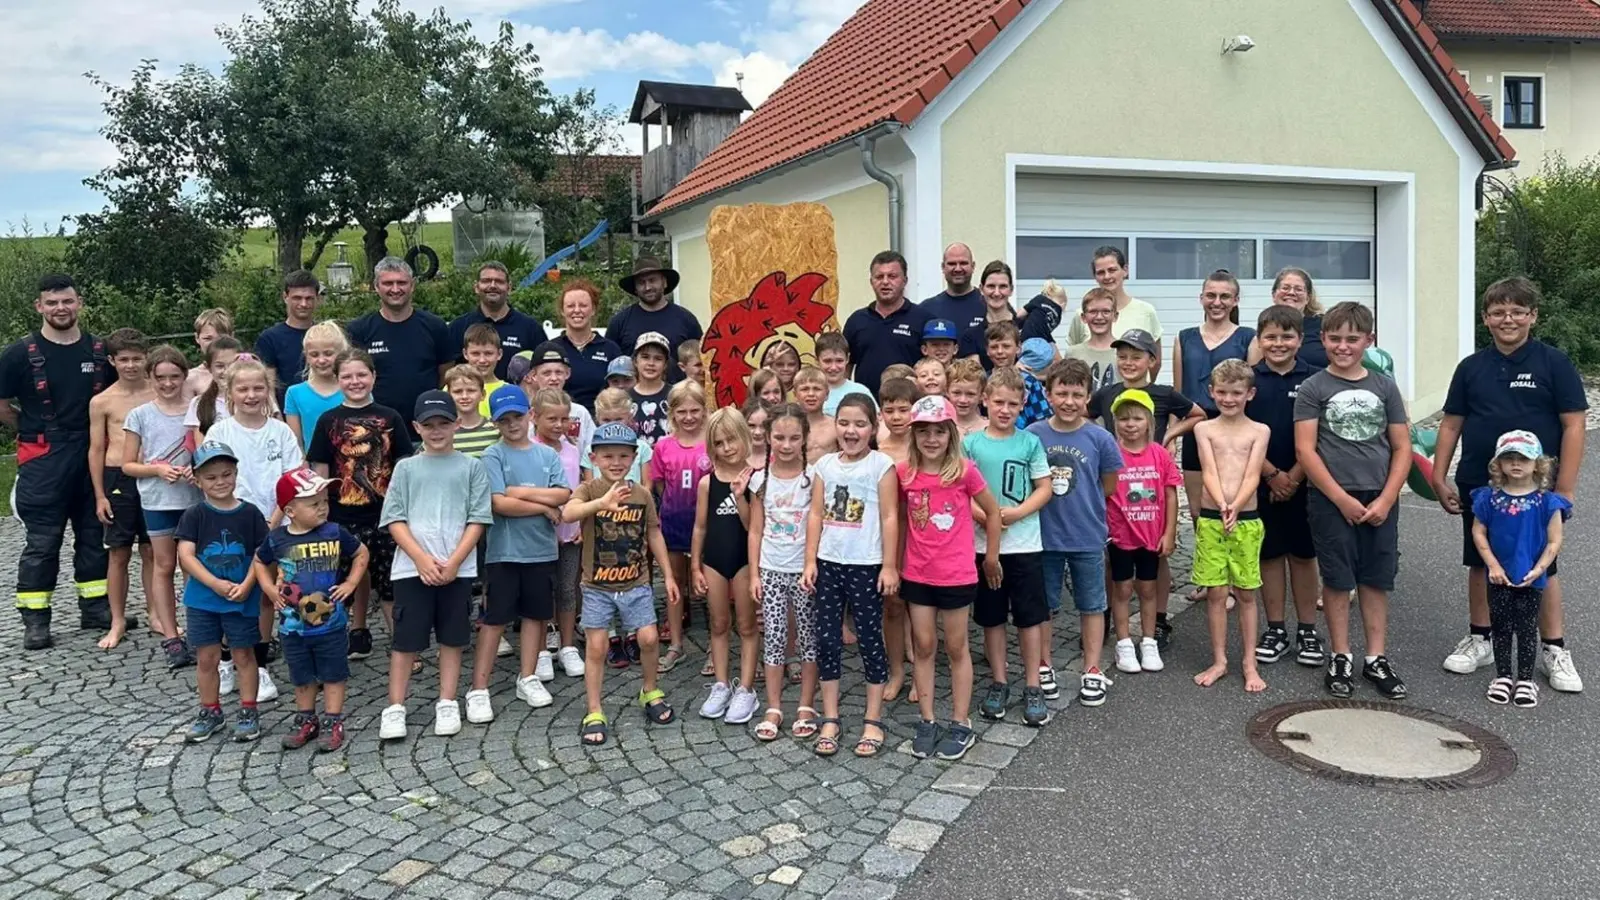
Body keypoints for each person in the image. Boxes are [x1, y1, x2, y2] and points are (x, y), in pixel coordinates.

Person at [1434, 276, 1586, 693]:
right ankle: (1481, 638)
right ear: (1486, 318)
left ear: (1533, 316)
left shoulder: (1554, 363)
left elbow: (1574, 425)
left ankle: (1554, 649)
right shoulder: (1471, 367)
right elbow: (1450, 424)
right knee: (1481, 559)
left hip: (1537, 490)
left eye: (1518, 311)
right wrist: (1438, 473)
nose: (1508, 319)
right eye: (1499, 311)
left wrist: (1565, 488)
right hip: (1481, 486)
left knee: (1543, 564)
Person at [1294, 301, 1412, 700]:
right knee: (1338, 579)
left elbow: (1401, 447)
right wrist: (1341, 499)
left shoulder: (1384, 387)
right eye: (1335, 338)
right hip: (1331, 499)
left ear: (1368, 340)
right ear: (1323, 339)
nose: (1343, 346)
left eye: (1352, 339)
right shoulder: (1314, 388)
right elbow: (1306, 451)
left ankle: (1376, 657)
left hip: (1379, 497)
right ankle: (1340, 654)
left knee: (1375, 578)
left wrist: (1387, 497)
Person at [0, 274, 116, 649]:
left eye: (67, 301)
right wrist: (31, 428)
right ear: (39, 307)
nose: (60, 309)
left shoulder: (100, 352)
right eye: (52, 303)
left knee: (94, 536)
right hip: (43, 459)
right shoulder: (18, 355)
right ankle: (36, 621)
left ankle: (95, 608)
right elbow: (2, 406)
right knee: (42, 543)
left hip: (92, 455)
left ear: (79, 303)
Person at [377, 390, 493, 740]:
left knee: (452, 638)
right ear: (416, 427)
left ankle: (447, 701)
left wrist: (455, 561)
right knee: (406, 641)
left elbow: (478, 518)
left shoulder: (472, 467)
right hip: (412, 569)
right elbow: (394, 519)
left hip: (457, 569)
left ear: (457, 424)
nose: (437, 430)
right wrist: (422, 559)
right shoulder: (406, 467)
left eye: (444, 423)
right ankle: (395, 707)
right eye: (429, 425)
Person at [899, 395, 1002, 762]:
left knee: (957, 647)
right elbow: (898, 524)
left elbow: (992, 512)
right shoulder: (904, 474)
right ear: (914, 436)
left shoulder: (964, 470)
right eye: (923, 432)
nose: (931, 439)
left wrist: (991, 556)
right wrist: (894, 565)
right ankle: (927, 719)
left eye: (938, 431)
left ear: (950, 434)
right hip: (917, 574)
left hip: (956, 574)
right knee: (924, 646)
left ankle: (961, 722)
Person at [565, 422, 681, 745]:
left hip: (636, 582)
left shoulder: (642, 494)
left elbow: (653, 532)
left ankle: (650, 689)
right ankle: (594, 708)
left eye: (623, 457)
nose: (615, 463)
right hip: (597, 586)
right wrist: (600, 505)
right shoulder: (590, 490)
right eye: (607, 457)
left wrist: (669, 575)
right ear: (594, 458)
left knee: (647, 637)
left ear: (634, 458)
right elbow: (569, 513)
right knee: (598, 646)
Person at [465, 386, 572, 724]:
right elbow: (499, 504)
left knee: (535, 616)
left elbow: (563, 494)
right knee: (495, 619)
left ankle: (527, 676)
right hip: (504, 552)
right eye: (504, 420)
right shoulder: (493, 456)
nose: (512, 424)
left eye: (517, 417)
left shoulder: (547, 456)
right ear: (496, 423)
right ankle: (478, 688)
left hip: (541, 551)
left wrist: (523, 493)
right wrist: (543, 506)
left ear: (530, 415)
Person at [803, 393, 898, 758]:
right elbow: (815, 514)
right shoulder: (824, 465)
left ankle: (873, 718)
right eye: (844, 423)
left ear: (873, 428)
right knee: (827, 638)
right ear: (835, 425)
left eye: (860, 424)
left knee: (871, 638)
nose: (851, 431)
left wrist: (889, 565)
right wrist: (810, 560)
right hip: (829, 562)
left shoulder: (881, 465)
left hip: (866, 563)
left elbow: (890, 517)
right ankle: (830, 716)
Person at [307, 349, 414, 658]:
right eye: (347, 376)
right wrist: (320, 511)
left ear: (373, 377)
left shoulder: (391, 417)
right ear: (337, 379)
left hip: (385, 515)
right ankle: (328, 643)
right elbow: (321, 469)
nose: (355, 381)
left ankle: (403, 646)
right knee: (335, 583)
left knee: (391, 583)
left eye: (361, 374)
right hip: (341, 516)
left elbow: (403, 466)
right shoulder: (328, 420)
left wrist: (402, 508)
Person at [1029, 358, 1122, 707]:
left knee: (1092, 604)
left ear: (1088, 397)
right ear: (1048, 394)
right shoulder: (1035, 434)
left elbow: (1108, 485)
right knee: (1046, 606)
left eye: (1077, 394)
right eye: (1062, 393)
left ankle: (1093, 668)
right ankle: (1043, 663)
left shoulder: (1099, 438)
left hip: (1087, 535)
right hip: (1044, 536)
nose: (1069, 401)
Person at [204, 356, 300, 695]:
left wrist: (275, 519)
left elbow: (292, 477)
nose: (251, 395)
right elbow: (215, 481)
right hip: (233, 524)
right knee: (234, 593)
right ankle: (230, 658)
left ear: (269, 390)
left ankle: (257, 664)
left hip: (276, 522)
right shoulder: (220, 432)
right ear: (229, 392)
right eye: (243, 388)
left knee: (263, 596)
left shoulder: (281, 431)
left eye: (259, 388)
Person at [256, 468, 368, 752]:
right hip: (293, 625)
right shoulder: (278, 539)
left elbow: (361, 553)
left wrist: (351, 583)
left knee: (333, 672)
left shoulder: (334, 532)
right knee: (301, 674)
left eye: (324, 501)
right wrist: (270, 590)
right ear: (290, 510)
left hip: (330, 623)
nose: (322, 507)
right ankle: (306, 718)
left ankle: (333, 720)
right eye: (313, 503)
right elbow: (259, 562)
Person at [965, 367, 1051, 725]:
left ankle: (1033, 684)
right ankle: (999, 680)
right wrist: (985, 516)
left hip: (1024, 543)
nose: (1004, 409)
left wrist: (1015, 514)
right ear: (985, 400)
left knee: (1030, 617)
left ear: (1022, 405)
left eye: (1012, 404)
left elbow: (1044, 488)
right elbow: (961, 489)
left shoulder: (1029, 442)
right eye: (998, 402)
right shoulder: (971, 443)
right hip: (983, 545)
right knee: (992, 616)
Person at [1245, 306, 1324, 668]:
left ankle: (1307, 628)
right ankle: (1275, 627)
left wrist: (1294, 476)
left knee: (1304, 556)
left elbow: (1321, 437)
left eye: (1286, 336)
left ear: (1300, 340)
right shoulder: (1247, 381)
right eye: (1270, 337)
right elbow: (1239, 432)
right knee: (1269, 555)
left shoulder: (1317, 379)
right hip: (1260, 481)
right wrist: (1272, 475)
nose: (1278, 343)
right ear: (1259, 340)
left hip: (1306, 482)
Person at [177, 441, 269, 743]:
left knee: (244, 653)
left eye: (226, 475)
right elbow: (186, 556)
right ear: (198, 480)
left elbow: (260, 555)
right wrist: (214, 584)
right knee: (207, 656)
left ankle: (248, 709)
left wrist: (247, 586)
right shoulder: (195, 514)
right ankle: (210, 709)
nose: (220, 482)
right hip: (203, 599)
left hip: (241, 596)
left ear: (236, 473)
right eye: (212, 477)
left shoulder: (250, 514)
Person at [1471, 431, 1569, 708]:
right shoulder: (1489, 499)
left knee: (1526, 628)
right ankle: (1503, 676)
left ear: (1537, 464)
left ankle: (1525, 679)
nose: (1516, 464)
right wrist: (1491, 564)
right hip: (1498, 574)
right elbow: (1478, 532)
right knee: (1500, 626)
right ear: (1498, 463)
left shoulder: (1547, 502)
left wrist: (1540, 570)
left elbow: (1554, 540)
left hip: (1530, 576)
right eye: (1509, 458)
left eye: (1523, 459)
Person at [1191, 361, 1270, 691]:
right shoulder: (1204, 429)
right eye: (1221, 392)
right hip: (1212, 518)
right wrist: (1221, 503)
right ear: (1211, 392)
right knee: (1216, 593)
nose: (1228, 398)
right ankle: (1220, 659)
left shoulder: (1259, 431)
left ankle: (1249, 662)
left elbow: (1253, 474)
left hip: (1247, 519)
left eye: (1236, 393)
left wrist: (1236, 505)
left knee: (1248, 592)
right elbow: (1208, 470)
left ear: (1249, 394)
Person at [120, 345, 200, 665]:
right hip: (158, 500)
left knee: (194, 568)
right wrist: (157, 469)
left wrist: (199, 470)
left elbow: (209, 448)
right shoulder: (140, 415)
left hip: (194, 499)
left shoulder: (195, 410)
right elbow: (127, 464)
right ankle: (171, 636)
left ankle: (198, 632)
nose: (168, 384)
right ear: (150, 377)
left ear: (184, 375)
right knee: (165, 566)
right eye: (161, 378)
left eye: (175, 377)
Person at [749, 403, 819, 741]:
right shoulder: (760, 479)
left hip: (805, 571)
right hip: (772, 570)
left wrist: (811, 563)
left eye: (794, 438)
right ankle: (773, 705)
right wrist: (753, 574)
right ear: (768, 437)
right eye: (779, 437)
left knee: (808, 638)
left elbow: (819, 524)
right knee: (774, 637)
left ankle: (806, 703)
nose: (786, 445)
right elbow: (754, 530)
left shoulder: (814, 477)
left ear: (805, 437)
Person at [1103, 389, 1181, 676]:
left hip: (1151, 535)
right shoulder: (1110, 453)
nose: (1130, 424)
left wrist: (1169, 532)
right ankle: (1124, 643)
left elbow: (1171, 495)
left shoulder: (1159, 455)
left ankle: (1148, 641)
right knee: (1122, 588)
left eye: (1136, 418)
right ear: (1115, 422)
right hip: (1120, 535)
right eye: (1123, 419)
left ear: (1149, 421)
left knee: (1148, 588)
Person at [691, 408, 760, 725]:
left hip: (746, 560)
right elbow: (701, 527)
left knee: (746, 626)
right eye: (719, 443)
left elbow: (752, 526)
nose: (727, 448)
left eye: (732, 440)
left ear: (744, 438)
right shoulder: (707, 483)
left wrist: (740, 495)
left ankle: (746, 688)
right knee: (718, 625)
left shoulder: (755, 479)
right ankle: (721, 684)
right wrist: (695, 565)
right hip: (714, 561)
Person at [1174, 270, 1256, 532]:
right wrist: (1172, 436)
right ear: (1201, 298)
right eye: (1211, 295)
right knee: (1200, 510)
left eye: (1225, 296)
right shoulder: (1184, 338)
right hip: (1195, 431)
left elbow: (1254, 392)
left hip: (1235, 431)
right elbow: (1178, 395)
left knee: (1234, 506)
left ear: (1235, 300)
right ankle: (1207, 567)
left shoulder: (1248, 337)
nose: (1217, 302)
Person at [90, 329, 154, 651]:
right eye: (124, 359)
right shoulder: (102, 401)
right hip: (118, 479)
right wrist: (100, 494)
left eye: (137, 358)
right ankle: (117, 620)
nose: (131, 365)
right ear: (112, 361)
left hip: (153, 475)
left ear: (146, 357)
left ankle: (156, 612)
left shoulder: (159, 391)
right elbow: (96, 449)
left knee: (153, 550)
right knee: (118, 552)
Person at [646, 381, 711, 672]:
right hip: (673, 524)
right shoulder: (663, 446)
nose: (688, 417)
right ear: (672, 413)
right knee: (675, 585)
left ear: (704, 410)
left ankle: (715, 643)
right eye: (682, 411)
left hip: (709, 528)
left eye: (695, 410)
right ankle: (675, 643)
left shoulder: (711, 442)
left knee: (709, 587)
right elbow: (660, 485)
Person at [346, 257, 452, 432]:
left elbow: (445, 375)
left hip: (426, 426)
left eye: (401, 282)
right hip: (375, 428)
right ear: (376, 286)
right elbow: (352, 377)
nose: (395, 289)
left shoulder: (435, 327)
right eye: (388, 283)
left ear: (412, 285)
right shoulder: (359, 330)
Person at [530, 387, 587, 679]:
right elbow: (527, 490)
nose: (558, 425)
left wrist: (579, 524)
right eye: (551, 419)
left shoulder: (572, 448)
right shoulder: (529, 448)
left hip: (569, 531)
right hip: (538, 532)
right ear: (534, 417)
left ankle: (567, 646)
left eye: (564, 419)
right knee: (541, 593)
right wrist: (546, 508)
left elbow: (578, 489)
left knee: (567, 589)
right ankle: (540, 650)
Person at [845, 251, 932, 393]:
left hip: (908, 406)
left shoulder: (923, 319)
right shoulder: (856, 321)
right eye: (879, 277)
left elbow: (933, 366)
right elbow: (846, 368)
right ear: (871, 281)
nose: (885, 282)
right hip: (866, 407)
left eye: (892, 276)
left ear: (905, 280)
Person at [448, 261, 548, 383]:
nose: (493, 285)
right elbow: (448, 373)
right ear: (476, 287)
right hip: (470, 399)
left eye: (499, 282)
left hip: (516, 400)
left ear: (509, 287)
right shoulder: (458, 327)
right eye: (486, 281)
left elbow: (545, 370)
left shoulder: (531, 328)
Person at [607, 258, 702, 384]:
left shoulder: (686, 319)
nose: (647, 287)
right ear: (635, 289)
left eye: (652, 280)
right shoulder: (619, 322)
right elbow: (610, 365)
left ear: (664, 282)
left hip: (678, 397)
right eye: (641, 283)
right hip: (632, 398)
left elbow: (702, 359)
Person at [1065, 246, 1164, 364]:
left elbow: (1155, 361)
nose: (1107, 276)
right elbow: (1074, 358)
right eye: (1101, 272)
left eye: (1112, 270)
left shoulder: (1146, 311)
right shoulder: (1082, 315)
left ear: (1125, 270)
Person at [512, 344, 598, 457]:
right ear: (533, 375)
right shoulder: (523, 414)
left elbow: (593, 451)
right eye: (546, 373)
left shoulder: (580, 412)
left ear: (568, 373)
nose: (553, 378)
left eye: (559, 372)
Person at [548, 279, 622, 411]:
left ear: (593, 310)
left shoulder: (610, 349)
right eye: (570, 306)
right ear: (562, 311)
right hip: (560, 422)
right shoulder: (550, 349)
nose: (577, 310)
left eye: (583, 305)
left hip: (601, 421)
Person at [256, 270, 324, 404]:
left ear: (317, 298)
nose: (303, 304)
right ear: (285, 297)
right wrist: (277, 418)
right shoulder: (270, 338)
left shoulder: (325, 335)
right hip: (286, 415)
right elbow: (268, 385)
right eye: (297, 298)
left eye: (309, 298)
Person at [284, 321, 348, 452]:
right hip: (313, 468)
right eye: (314, 355)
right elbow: (297, 444)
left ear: (341, 353)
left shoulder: (353, 389)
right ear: (306, 356)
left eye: (328, 354)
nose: (321, 360)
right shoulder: (294, 393)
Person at [1246, 268, 1327, 370]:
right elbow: (1254, 374)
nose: (1291, 293)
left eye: (1298, 289)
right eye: (1285, 288)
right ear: (1274, 295)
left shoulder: (1323, 325)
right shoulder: (1264, 329)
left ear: (1308, 298)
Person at [986, 324, 1051, 428]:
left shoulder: (1029, 382)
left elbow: (1041, 420)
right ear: (987, 350)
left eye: (1006, 346)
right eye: (994, 347)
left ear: (1018, 348)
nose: (1000, 351)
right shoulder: (983, 381)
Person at [959, 262, 1020, 369]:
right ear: (982, 289)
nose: (996, 293)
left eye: (1003, 286)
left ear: (1011, 290)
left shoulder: (1025, 326)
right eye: (991, 286)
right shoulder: (971, 336)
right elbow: (975, 378)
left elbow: (1051, 366)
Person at [185, 336, 245, 442]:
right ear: (208, 367)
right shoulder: (199, 404)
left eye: (232, 365)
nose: (227, 371)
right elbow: (201, 447)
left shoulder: (254, 399)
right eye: (220, 366)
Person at [920, 243, 986, 332]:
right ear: (943, 267)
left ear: (973, 266)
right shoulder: (926, 309)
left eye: (963, 263)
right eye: (952, 264)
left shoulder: (989, 305)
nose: (958, 269)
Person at [1065, 288, 1121, 392]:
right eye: (1093, 311)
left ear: (1115, 316)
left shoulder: (1123, 352)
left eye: (1106, 311)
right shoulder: (1073, 353)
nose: (1099, 317)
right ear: (1083, 317)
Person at [444, 365, 498, 458]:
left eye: (471, 390)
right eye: (458, 391)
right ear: (449, 395)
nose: (464, 396)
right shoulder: (443, 431)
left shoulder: (496, 428)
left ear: (483, 394)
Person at [630, 332, 673, 446]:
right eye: (645, 357)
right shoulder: (624, 398)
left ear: (665, 364)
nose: (651, 363)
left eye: (658, 359)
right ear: (635, 361)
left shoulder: (676, 395)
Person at [817, 331, 873, 416]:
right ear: (817, 360)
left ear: (847, 359)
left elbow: (878, 423)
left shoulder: (861, 391)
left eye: (839, 361)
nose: (833, 367)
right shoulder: (810, 393)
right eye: (827, 361)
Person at [185, 308, 235, 399]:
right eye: (208, 339)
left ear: (232, 336)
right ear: (197, 338)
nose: (214, 344)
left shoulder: (246, 371)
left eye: (221, 338)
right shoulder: (190, 378)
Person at [460, 324, 507, 416]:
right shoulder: (453, 389)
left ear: (499, 354)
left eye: (488, 353)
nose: (482, 360)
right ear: (465, 354)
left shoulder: (508, 391)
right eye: (475, 353)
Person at [794, 366, 837, 463]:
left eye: (817, 389)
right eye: (805, 389)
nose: (811, 394)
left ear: (827, 394)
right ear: (795, 395)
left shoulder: (835, 425)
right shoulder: (789, 426)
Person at [876, 377, 919, 467]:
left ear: (915, 409)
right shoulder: (878, 453)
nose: (896, 417)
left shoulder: (925, 447)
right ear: (881, 413)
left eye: (903, 410)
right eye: (889, 411)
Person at [947, 359, 987, 437]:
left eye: (970, 394)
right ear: (947, 391)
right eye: (956, 393)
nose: (963, 400)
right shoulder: (940, 428)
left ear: (982, 396)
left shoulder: (991, 428)